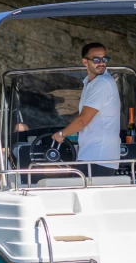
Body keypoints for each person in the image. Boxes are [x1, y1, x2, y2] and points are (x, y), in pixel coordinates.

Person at [52, 42, 121, 176]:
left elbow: (83, 121)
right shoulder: (91, 82)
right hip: (95, 157)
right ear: (85, 62)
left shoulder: (102, 83)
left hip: (97, 157)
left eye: (104, 59)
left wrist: (61, 135)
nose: (101, 63)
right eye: (96, 59)